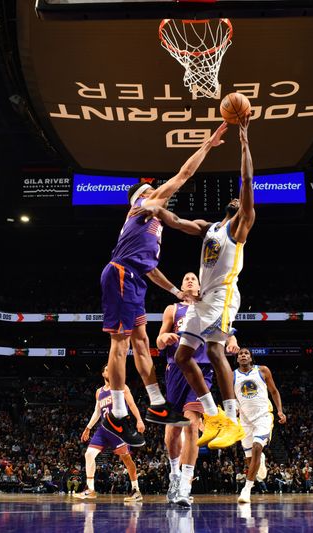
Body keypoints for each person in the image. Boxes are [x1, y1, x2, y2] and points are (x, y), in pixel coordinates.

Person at [100, 123, 229, 447]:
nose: (156, 192)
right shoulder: (142, 210)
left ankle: (157, 404)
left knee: (142, 342)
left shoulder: (153, 228)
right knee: (121, 346)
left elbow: (151, 270)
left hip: (134, 280)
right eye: (148, 191)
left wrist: (174, 292)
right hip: (119, 276)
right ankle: (117, 413)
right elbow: (184, 174)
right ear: (139, 199)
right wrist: (209, 145)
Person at [141, 115, 255, 450]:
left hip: (222, 296)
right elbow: (175, 220)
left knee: (217, 351)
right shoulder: (211, 228)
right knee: (181, 357)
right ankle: (214, 414)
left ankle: (232, 420)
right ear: (226, 209)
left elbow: (247, 181)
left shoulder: (240, 226)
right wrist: (152, 208)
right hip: (203, 300)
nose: (242, 202)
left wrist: (244, 139)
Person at [157, 272, 240, 507]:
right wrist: (165, 338)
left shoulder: (210, 306)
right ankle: (174, 475)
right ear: (182, 286)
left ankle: (185, 485)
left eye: (194, 278)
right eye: (185, 278)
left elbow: (227, 333)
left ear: (201, 285)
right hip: (175, 370)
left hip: (202, 370)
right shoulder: (173, 309)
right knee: (172, 433)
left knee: (192, 425)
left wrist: (232, 342)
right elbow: (159, 340)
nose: (190, 280)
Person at [78, 366, 144, 502]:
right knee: (89, 454)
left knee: (126, 459)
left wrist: (139, 420)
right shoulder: (99, 392)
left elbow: (131, 404)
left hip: (118, 429)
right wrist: (88, 427)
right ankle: (90, 489)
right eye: (107, 369)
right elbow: (97, 411)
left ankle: (136, 490)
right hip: (103, 429)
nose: (110, 371)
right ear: (102, 373)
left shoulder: (122, 387)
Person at [234, 348, 286, 503]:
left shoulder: (262, 370)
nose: (243, 355)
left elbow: (274, 391)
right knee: (250, 460)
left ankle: (246, 489)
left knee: (257, 446)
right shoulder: (232, 375)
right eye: (240, 354)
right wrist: (234, 410)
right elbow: (230, 397)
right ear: (237, 359)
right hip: (244, 421)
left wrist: (280, 411)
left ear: (251, 358)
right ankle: (260, 460)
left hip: (263, 416)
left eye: (246, 353)